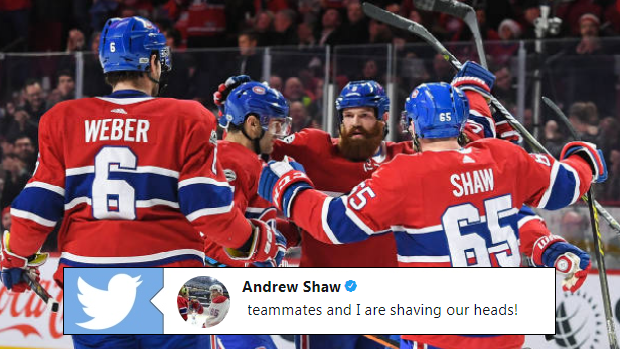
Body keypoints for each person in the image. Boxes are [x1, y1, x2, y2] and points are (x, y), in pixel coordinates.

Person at [0, 16, 281, 349]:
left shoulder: (62, 119)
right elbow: (209, 210)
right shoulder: (188, 116)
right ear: (152, 62)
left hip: (90, 282)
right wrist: (252, 240)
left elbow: (35, 211)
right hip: (172, 277)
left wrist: (15, 258)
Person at [259, 80, 605, 349]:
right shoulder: (504, 156)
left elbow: (334, 224)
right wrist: (585, 155)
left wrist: (286, 185)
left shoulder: (405, 174)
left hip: (440, 332)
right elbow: (569, 183)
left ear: (410, 125)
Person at [205, 78, 290, 268]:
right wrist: (257, 259)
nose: (279, 133)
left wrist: (291, 233)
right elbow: (215, 235)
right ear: (253, 124)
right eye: (276, 125)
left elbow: (246, 218)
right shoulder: (234, 161)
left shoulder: (239, 157)